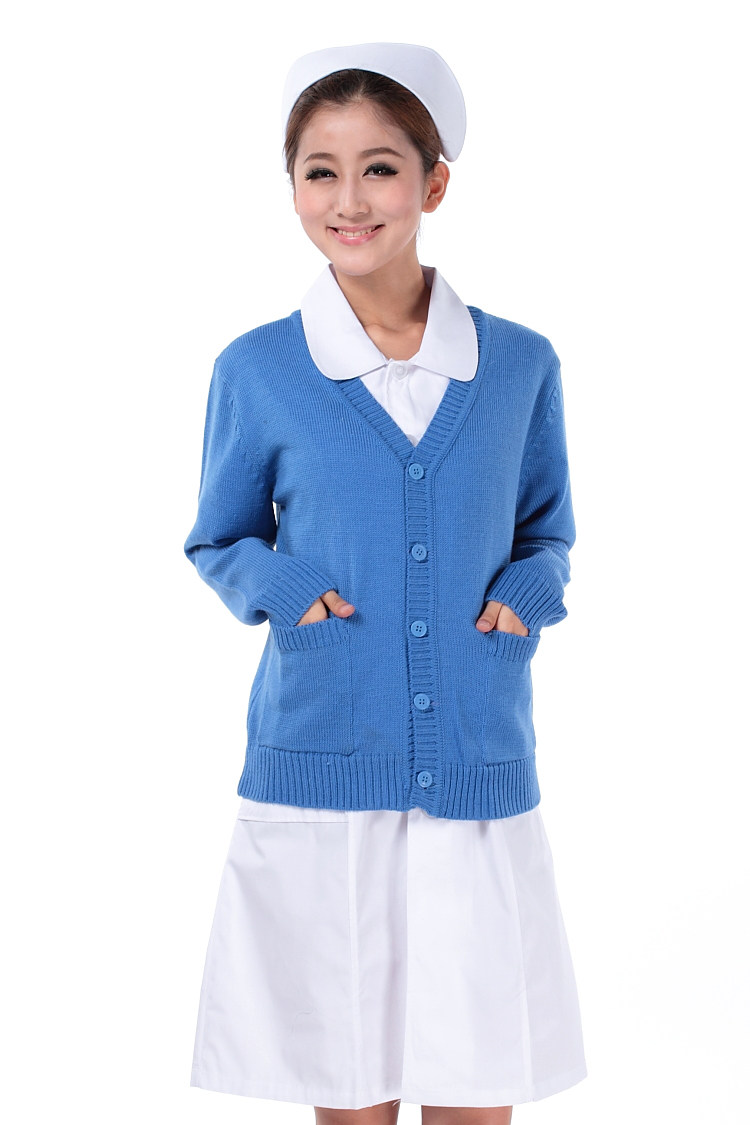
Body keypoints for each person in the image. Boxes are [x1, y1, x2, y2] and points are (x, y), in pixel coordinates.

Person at [183, 41, 587, 1125]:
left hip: (472, 770)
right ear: (293, 188)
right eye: (320, 171)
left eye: (379, 168)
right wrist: (288, 591)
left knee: (477, 1091)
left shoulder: (519, 366)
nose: (348, 200)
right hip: (326, 766)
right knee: (351, 1097)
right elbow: (219, 539)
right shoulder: (259, 369)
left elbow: (548, 532)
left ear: (434, 183)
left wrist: (529, 595)